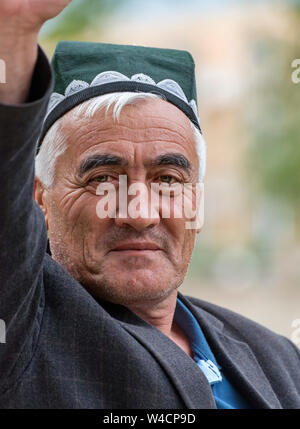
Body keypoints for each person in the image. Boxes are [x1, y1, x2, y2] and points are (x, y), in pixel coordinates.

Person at [0, 0, 299, 409]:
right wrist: (12, 30)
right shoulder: (20, 330)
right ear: (40, 199)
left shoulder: (277, 358)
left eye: (167, 180)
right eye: (102, 179)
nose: (139, 214)